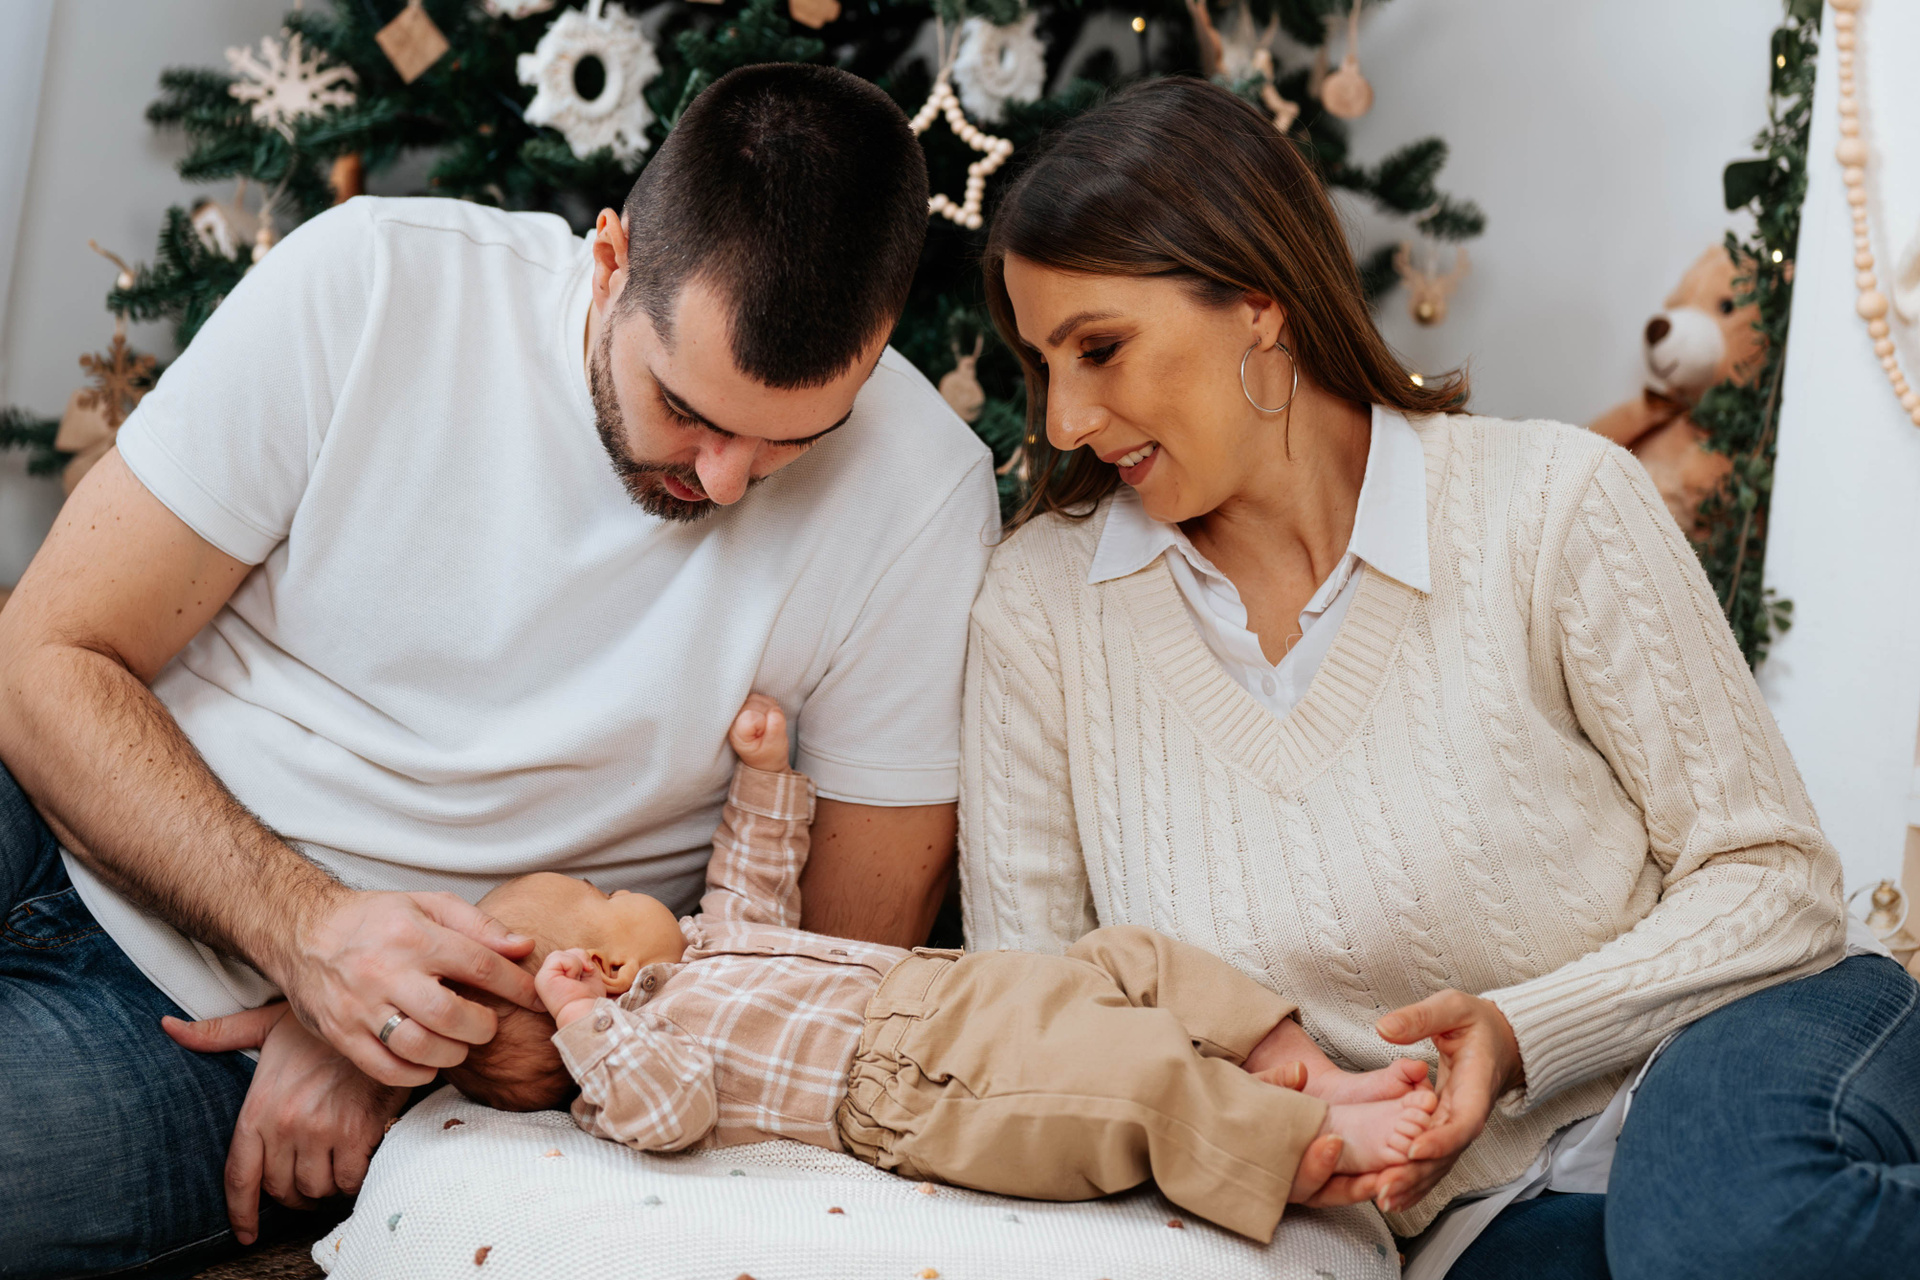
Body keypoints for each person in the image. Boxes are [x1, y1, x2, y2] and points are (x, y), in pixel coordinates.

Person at [0, 64, 997, 1279]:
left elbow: (815, 989)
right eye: (687, 408)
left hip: (210, 1036)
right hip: (70, 799)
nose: (726, 478)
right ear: (611, 258)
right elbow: (44, 655)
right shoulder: (376, 281)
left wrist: (425, 1044)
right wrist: (309, 935)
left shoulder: (923, 502)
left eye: (794, 439)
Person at [958, 76, 1920, 1280]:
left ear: (1259, 304)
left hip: (1736, 1042)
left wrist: (1521, 1031)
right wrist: (1271, 1128)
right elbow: (1036, 1029)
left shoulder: (1553, 502)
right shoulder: (1040, 612)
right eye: (1042, 363)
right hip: (1474, 1210)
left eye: (1100, 349)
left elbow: (1777, 878)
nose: (1061, 420)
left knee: (1724, 1234)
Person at [427, 692, 1441, 1242]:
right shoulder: (636, 1057)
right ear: (602, 964)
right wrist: (587, 1025)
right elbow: (673, 1111)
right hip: (923, 1084)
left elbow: (753, 875)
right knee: (1125, 1081)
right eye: (601, 893)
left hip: (957, 990)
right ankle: (1292, 1147)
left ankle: (1301, 1067)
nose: (624, 889)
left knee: (1135, 955)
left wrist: (764, 775)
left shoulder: (708, 942)